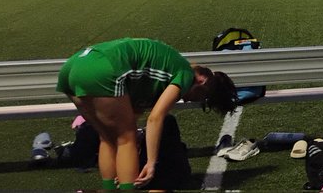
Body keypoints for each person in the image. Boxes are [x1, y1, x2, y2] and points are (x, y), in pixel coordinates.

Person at [56, 37, 236, 189]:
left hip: (73, 67)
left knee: (108, 137)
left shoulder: (153, 79)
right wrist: (151, 163)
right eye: (201, 98)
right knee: (126, 138)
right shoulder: (185, 73)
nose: (189, 101)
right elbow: (155, 118)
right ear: (201, 80)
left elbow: (134, 112)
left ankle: (109, 188)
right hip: (101, 68)